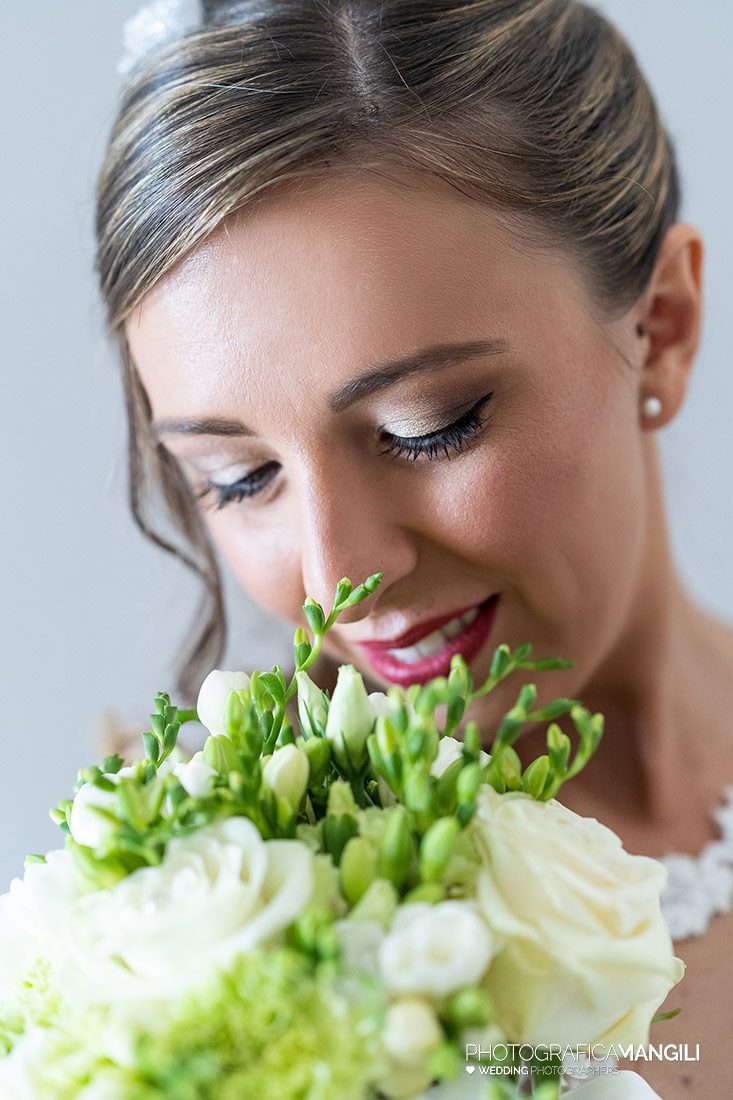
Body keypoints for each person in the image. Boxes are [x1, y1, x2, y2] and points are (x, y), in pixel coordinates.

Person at [95, 1, 732, 1093]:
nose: (338, 567)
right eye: (238, 477)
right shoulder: (234, 945)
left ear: (659, 326)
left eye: (428, 425)